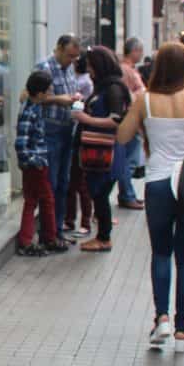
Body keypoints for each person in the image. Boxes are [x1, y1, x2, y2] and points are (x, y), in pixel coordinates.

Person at [115, 42, 184, 351]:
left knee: (161, 252)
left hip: (158, 181)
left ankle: (160, 318)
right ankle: (182, 328)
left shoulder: (144, 101)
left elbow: (122, 137)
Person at [71, 46, 132, 252]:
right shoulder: (106, 86)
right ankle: (103, 235)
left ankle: (104, 237)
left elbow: (116, 119)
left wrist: (86, 118)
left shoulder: (112, 88)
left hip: (105, 150)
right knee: (98, 193)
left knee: (100, 193)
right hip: (99, 149)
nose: (88, 70)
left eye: (91, 65)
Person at [35, 34, 83, 247]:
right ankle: (49, 233)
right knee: (51, 183)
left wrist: (75, 98)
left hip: (67, 130)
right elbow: (35, 96)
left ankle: (58, 229)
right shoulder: (44, 67)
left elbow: (70, 92)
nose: (71, 61)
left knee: (63, 183)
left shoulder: (70, 68)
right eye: (69, 56)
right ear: (60, 49)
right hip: (50, 130)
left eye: (75, 58)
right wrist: (59, 99)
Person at [14, 70, 65, 256]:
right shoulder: (30, 111)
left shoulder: (31, 107)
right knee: (46, 199)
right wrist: (32, 161)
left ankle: (27, 240)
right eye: (48, 91)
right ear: (41, 93)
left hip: (35, 162)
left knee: (32, 200)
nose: (50, 95)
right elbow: (21, 140)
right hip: (36, 163)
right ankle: (47, 238)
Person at [65, 54, 95, 234]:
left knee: (81, 184)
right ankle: (73, 220)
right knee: (74, 182)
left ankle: (83, 222)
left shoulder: (87, 83)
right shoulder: (83, 81)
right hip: (77, 135)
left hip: (85, 137)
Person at [117, 37, 147, 208]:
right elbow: (127, 94)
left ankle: (128, 194)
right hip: (130, 117)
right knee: (129, 160)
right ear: (134, 51)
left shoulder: (130, 70)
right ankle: (127, 195)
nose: (141, 54)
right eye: (140, 51)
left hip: (133, 117)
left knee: (130, 160)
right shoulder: (125, 70)